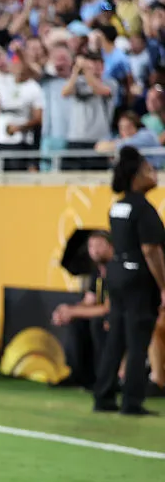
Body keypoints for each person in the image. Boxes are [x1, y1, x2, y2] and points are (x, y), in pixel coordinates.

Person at [93, 147, 165, 416]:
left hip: (118, 273)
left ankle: (103, 395)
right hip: (138, 278)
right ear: (136, 176)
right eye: (148, 169)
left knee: (116, 339)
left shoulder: (118, 206)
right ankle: (132, 401)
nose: (154, 173)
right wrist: (163, 285)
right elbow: (151, 250)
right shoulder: (143, 209)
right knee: (137, 341)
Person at [52, 231, 112, 389]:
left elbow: (107, 308)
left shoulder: (117, 271)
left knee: (98, 323)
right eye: (91, 246)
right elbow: (89, 301)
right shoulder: (97, 273)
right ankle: (78, 375)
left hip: (117, 317)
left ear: (111, 246)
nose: (95, 250)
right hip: (103, 315)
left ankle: (103, 377)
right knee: (76, 323)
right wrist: (67, 311)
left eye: (100, 245)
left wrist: (73, 311)